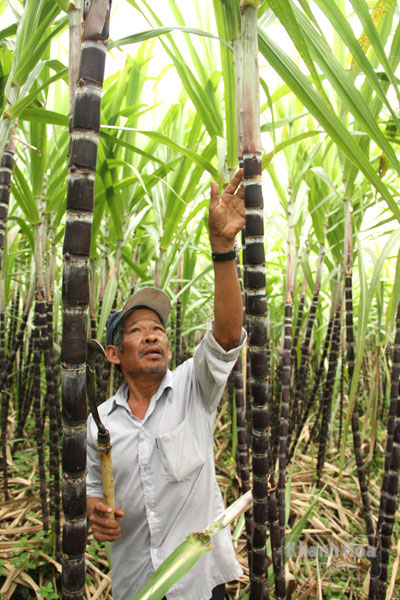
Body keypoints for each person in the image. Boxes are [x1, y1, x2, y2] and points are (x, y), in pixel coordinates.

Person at [86, 169, 246, 600]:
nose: (153, 335)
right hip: (135, 586)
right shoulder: (98, 423)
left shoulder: (194, 388)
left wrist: (223, 248)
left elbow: (228, 336)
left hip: (199, 584)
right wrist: (96, 515)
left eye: (157, 328)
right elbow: (91, 494)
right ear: (114, 354)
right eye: (137, 331)